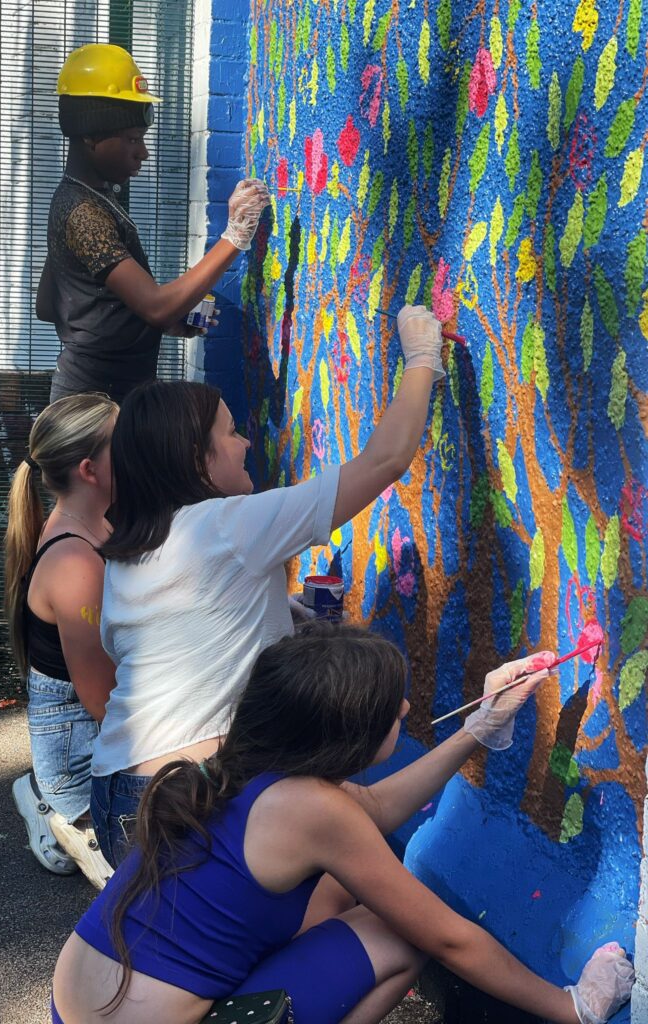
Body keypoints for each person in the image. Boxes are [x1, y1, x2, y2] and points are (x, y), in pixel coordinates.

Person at [51, 623, 634, 1024]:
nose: (406, 711)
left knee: (336, 890)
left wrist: (476, 730)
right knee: (403, 934)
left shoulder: (249, 759)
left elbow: (373, 810)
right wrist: (570, 1007)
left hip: (73, 1005)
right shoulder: (313, 811)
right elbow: (449, 937)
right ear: (347, 738)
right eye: (393, 708)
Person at [90, 304, 445, 866]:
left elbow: (153, 643)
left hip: (116, 791)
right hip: (183, 797)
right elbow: (385, 460)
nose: (246, 443)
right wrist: (422, 358)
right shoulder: (226, 525)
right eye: (230, 434)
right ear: (196, 461)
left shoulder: (134, 550)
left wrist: (273, 608)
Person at [37, 42, 270, 404]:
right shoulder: (83, 213)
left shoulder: (79, 198)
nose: (142, 151)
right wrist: (235, 235)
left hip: (92, 397)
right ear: (90, 136)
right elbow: (156, 307)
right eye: (132, 139)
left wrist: (173, 320)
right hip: (96, 410)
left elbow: (50, 305)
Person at [4, 393, 118, 889]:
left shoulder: (98, 523)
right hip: (80, 748)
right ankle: (56, 806)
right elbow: (102, 703)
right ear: (91, 470)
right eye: (127, 444)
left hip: (85, 722)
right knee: (140, 885)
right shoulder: (75, 564)